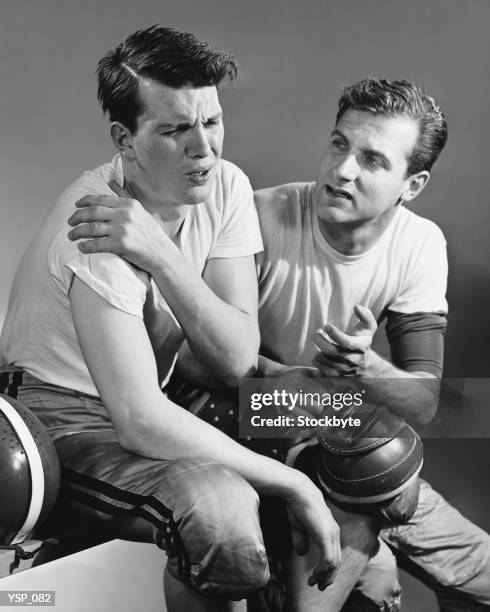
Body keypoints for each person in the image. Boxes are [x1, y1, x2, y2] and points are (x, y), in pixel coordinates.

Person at [0, 26, 381, 612]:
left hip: (168, 385)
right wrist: (292, 481)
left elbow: (233, 358)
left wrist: (160, 253)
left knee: (363, 431)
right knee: (219, 510)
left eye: (211, 121)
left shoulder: (224, 186)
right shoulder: (94, 230)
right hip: (66, 418)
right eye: (175, 129)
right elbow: (140, 422)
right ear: (124, 139)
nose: (203, 148)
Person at [253, 78, 490, 611]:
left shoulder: (420, 243)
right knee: (378, 465)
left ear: (413, 183)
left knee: (477, 567)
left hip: (336, 421)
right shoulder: (262, 216)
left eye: (373, 160)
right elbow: (199, 363)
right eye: (339, 144)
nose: (342, 170)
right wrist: (309, 391)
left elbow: (426, 401)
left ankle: (368, 538)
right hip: (244, 407)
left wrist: (365, 368)